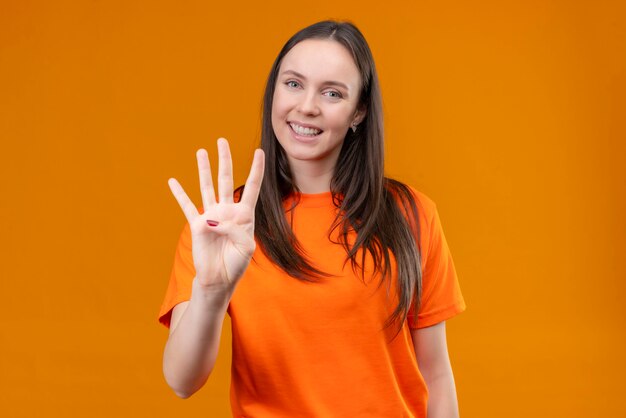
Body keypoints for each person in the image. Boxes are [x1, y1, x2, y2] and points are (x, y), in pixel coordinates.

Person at [158, 20, 466, 417]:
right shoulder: (222, 227)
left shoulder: (413, 215)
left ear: (359, 111)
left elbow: (436, 375)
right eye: (293, 84)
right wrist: (211, 292)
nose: (307, 106)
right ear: (274, 93)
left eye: (332, 93)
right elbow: (182, 382)